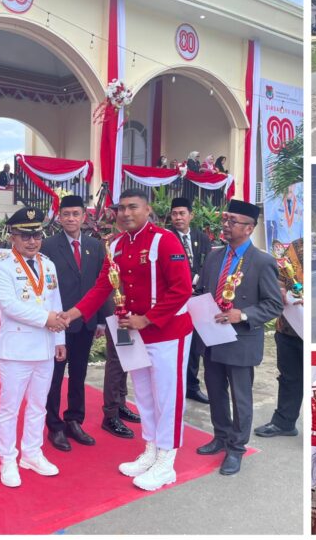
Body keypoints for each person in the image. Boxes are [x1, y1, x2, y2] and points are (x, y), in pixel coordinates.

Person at [60, 188, 193, 491]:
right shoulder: (115, 245)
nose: (126, 214)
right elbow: (101, 287)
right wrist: (73, 314)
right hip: (130, 332)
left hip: (165, 331)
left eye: (133, 207)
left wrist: (147, 319)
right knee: (143, 394)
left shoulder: (164, 239)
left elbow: (182, 289)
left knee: (166, 396)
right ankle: (150, 449)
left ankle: (166, 460)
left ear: (148, 210)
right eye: (121, 208)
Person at [192, 199, 283, 475]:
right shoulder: (214, 256)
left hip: (240, 339)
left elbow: (273, 304)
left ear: (249, 228)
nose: (227, 225)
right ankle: (220, 436)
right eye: (226, 220)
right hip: (212, 336)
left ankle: (237, 448)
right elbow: (204, 293)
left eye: (233, 221)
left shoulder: (263, 261)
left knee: (240, 397)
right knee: (215, 390)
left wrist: (241, 315)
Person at [0, 206, 67, 488]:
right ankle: (8, 458)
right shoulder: (0, 266)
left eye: (37, 235)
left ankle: (32, 453)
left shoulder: (48, 264)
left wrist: (59, 339)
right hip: (16, 350)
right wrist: (48, 320)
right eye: (25, 236)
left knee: (38, 405)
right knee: (9, 408)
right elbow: (10, 307)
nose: (32, 242)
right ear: (13, 237)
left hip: (45, 347)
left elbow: (55, 302)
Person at [41, 195, 104, 452]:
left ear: (83, 217)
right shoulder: (47, 245)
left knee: (78, 374)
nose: (70, 219)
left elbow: (103, 285)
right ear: (59, 217)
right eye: (66, 214)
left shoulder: (95, 246)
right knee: (55, 377)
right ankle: (54, 426)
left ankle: (74, 420)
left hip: (86, 323)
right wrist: (47, 319)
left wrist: (100, 319)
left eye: (75, 214)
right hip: (59, 323)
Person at [255, 238, 304, 438]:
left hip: (312, 332)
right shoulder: (294, 248)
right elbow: (280, 277)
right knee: (288, 377)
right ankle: (285, 422)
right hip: (289, 326)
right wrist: (281, 290)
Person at [169, 197, 211, 404]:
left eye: (182, 213)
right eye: (174, 214)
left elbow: (208, 263)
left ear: (191, 215)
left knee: (196, 345)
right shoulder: (166, 238)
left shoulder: (201, 237)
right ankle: (176, 385)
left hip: (198, 297)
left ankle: (192, 386)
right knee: (177, 344)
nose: (178, 218)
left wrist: (198, 278)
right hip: (176, 298)